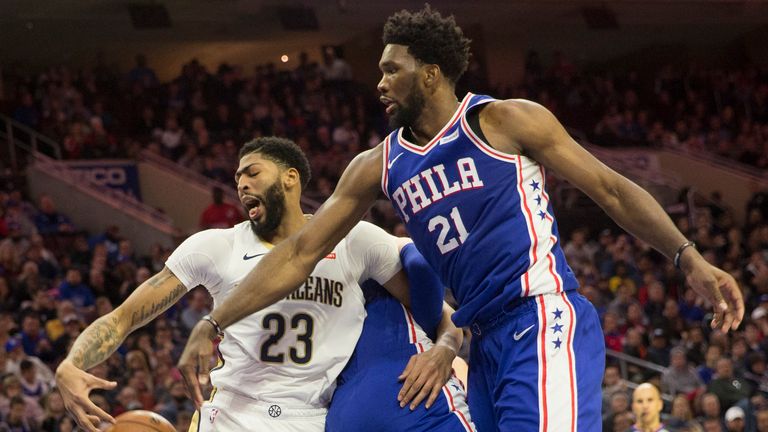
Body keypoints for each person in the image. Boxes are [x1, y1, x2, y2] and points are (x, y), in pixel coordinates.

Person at [178, 5, 743, 432]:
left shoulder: (503, 122)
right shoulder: (376, 167)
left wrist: (687, 257)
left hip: (540, 316)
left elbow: (612, 191)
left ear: (430, 73)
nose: (378, 83)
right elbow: (299, 255)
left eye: (391, 70)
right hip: (480, 341)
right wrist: (214, 321)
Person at [54, 137, 465, 432]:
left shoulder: (355, 240)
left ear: (290, 178)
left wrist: (446, 349)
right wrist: (72, 364)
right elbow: (124, 317)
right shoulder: (216, 246)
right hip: (232, 412)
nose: (241, 184)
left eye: (252, 172)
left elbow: (438, 312)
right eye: (237, 178)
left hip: (313, 416)